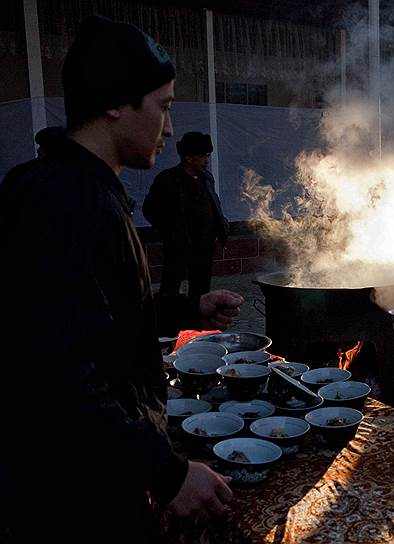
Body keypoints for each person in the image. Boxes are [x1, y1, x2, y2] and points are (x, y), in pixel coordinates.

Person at [0, 16, 242, 543]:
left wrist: (186, 310)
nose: (171, 128)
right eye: (164, 105)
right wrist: (168, 473)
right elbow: (59, 374)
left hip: (98, 473)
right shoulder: (59, 198)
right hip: (72, 495)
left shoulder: (88, 189)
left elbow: (95, 323)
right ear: (115, 103)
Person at [143, 132, 229, 303]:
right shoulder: (168, 180)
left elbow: (214, 204)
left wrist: (222, 228)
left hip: (204, 245)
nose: (206, 160)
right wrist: (170, 232)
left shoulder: (206, 178)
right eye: (202, 156)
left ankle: (196, 325)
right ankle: (168, 323)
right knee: (171, 288)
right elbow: (150, 209)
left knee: (201, 290)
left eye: (208, 156)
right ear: (188, 158)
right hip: (179, 246)